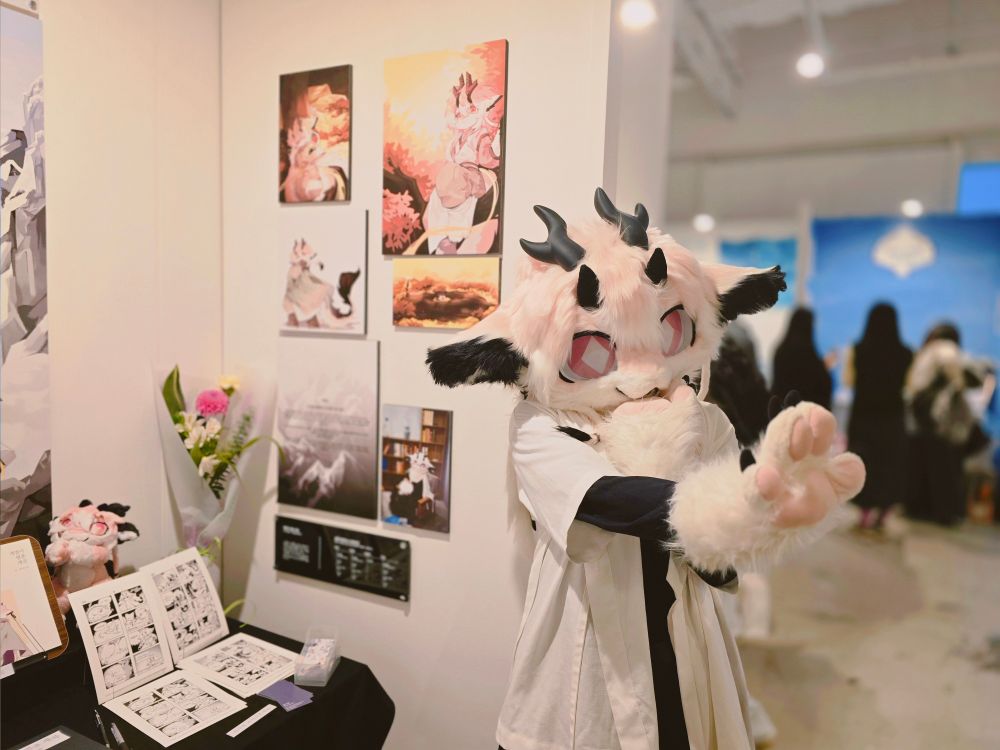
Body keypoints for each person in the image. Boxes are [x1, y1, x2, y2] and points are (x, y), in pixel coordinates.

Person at [426, 189, 865, 750]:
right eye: (594, 350)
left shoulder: (701, 417)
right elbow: (604, 499)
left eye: (668, 331)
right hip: (588, 641)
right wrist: (738, 499)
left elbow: (719, 559)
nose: (645, 371)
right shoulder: (542, 423)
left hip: (685, 631)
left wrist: (766, 492)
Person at [904, 323, 992, 525]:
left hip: (922, 418)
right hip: (941, 421)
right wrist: (958, 382)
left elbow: (915, 385)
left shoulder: (926, 352)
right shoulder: (947, 349)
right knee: (944, 470)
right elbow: (964, 377)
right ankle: (945, 513)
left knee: (922, 467)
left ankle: (919, 509)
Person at [845, 303, 913, 531]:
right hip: (892, 418)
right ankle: (883, 513)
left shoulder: (857, 350)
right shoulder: (906, 353)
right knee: (889, 465)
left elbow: (848, 381)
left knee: (865, 463)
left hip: (863, 416)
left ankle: (864, 512)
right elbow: (910, 386)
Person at [771, 308, 833, 409]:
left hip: (782, 411)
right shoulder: (809, 354)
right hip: (805, 413)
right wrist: (824, 367)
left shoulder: (781, 350)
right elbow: (819, 383)